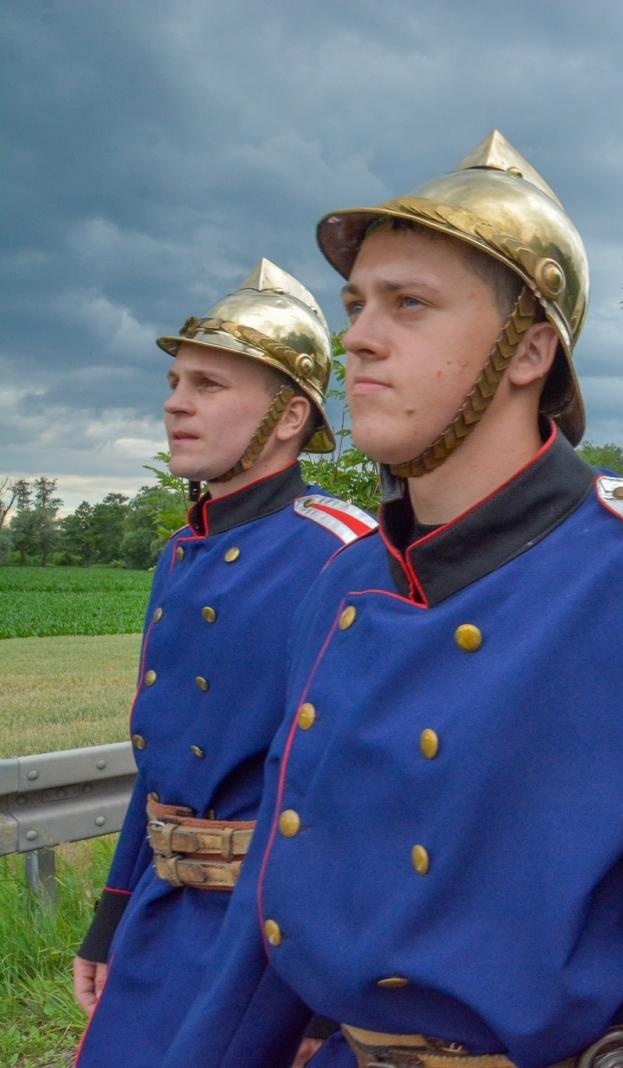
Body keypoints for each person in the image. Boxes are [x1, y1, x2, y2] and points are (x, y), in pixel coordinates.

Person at [162, 132, 623, 1066]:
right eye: (356, 303)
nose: (357, 335)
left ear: (527, 352)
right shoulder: (340, 587)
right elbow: (271, 911)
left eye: (410, 305)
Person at [72, 261, 373, 1066]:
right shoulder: (181, 552)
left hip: (270, 943)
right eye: (175, 380)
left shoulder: (343, 555)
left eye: (207, 384)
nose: (174, 402)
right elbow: (160, 757)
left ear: (287, 414)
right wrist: (110, 917)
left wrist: (326, 998)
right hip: (161, 919)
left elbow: (356, 794)